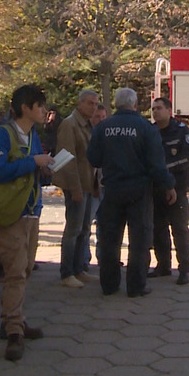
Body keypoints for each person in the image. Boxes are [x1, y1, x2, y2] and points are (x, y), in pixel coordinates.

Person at [0, 84, 54, 361]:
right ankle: (14, 332)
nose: (45, 111)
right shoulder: (1, 135)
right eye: (40, 106)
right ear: (26, 108)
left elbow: (34, 168)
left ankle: (13, 320)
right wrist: (33, 162)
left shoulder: (33, 134)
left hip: (31, 211)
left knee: (24, 270)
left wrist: (45, 168)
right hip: (12, 214)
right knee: (15, 273)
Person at [87, 88, 176, 297]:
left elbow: (93, 158)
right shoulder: (146, 128)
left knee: (109, 239)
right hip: (139, 190)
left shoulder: (103, 127)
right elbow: (156, 163)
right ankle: (136, 286)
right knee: (139, 240)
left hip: (112, 189)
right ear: (135, 105)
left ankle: (109, 285)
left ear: (116, 105)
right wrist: (168, 185)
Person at [148, 97, 189, 285]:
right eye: (153, 109)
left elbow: (188, 158)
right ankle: (163, 266)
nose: (155, 112)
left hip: (177, 187)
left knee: (179, 229)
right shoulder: (150, 131)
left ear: (169, 110)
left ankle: (185, 268)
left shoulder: (182, 131)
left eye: (159, 108)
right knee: (158, 229)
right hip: (156, 188)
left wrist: (164, 170)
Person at [54, 90, 100, 288]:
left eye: (96, 104)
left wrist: (95, 186)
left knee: (84, 229)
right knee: (73, 229)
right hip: (77, 185)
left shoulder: (88, 125)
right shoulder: (69, 124)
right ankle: (67, 272)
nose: (93, 107)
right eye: (90, 103)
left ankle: (80, 268)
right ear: (80, 103)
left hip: (88, 184)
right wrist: (75, 189)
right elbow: (67, 159)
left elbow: (92, 160)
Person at [82, 104, 108, 273]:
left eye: (103, 117)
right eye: (97, 117)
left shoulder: (108, 134)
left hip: (105, 184)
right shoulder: (86, 134)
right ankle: (84, 260)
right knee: (85, 226)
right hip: (89, 186)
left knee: (105, 225)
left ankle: (104, 258)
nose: (100, 120)